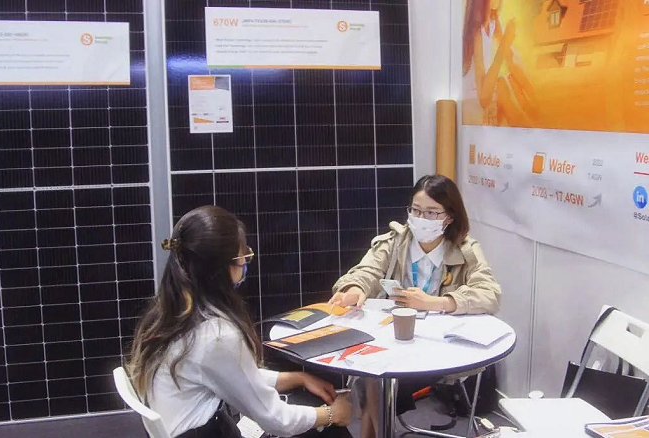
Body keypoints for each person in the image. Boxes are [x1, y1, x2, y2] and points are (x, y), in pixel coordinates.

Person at [128, 206, 351, 438]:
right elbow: (276, 420)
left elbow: (230, 374)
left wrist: (295, 378)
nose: (245, 262)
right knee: (330, 431)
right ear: (220, 268)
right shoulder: (216, 336)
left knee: (305, 402)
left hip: (193, 429)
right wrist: (332, 414)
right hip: (208, 432)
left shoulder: (169, 313)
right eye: (243, 257)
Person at [329, 174, 501, 438]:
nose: (422, 218)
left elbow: (490, 294)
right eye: (416, 210)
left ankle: (373, 431)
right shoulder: (394, 241)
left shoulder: (465, 250)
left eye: (431, 212)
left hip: (439, 345)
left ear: (449, 217)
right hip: (396, 338)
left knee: (374, 377)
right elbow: (367, 271)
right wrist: (355, 289)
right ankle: (378, 429)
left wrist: (436, 303)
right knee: (374, 371)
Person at [462, 0, 539, 127]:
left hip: (485, 94)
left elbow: (511, 62)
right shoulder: (476, 32)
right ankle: (528, 130)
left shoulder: (493, 22)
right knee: (502, 85)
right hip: (472, 101)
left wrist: (533, 95)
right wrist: (504, 44)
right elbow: (483, 97)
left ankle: (533, 120)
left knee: (510, 81)